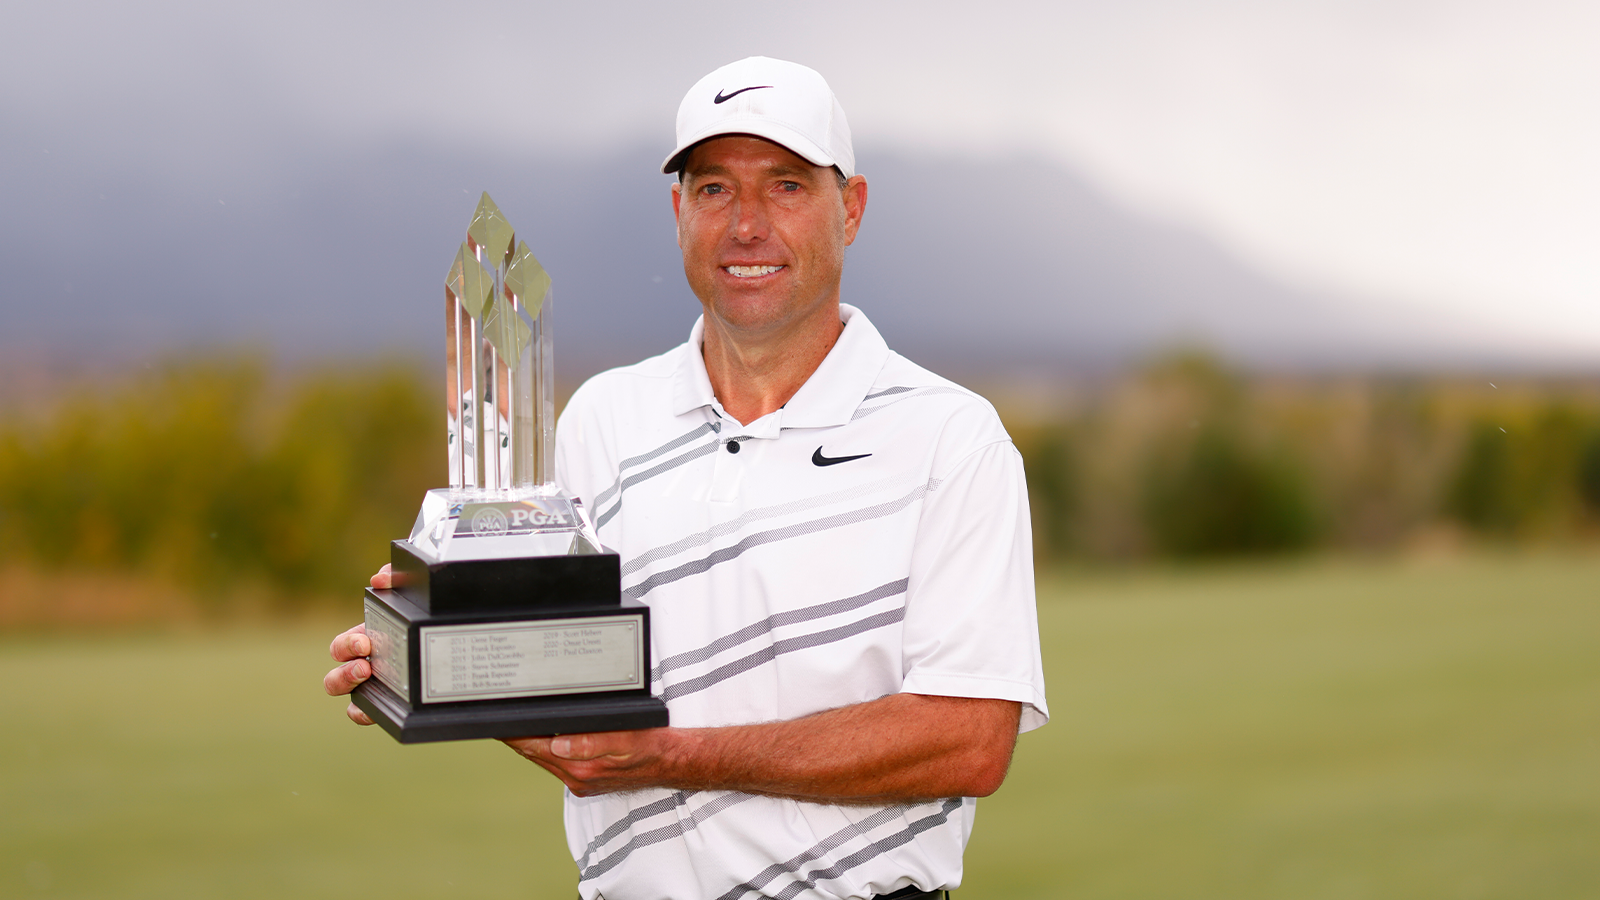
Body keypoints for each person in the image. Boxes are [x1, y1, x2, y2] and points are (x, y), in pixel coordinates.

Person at [324, 56, 1047, 900]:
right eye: (713, 189)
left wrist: (673, 757)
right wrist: (428, 655)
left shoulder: (951, 437)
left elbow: (969, 741)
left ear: (848, 208)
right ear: (678, 212)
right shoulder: (602, 419)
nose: (745, 225)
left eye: (784, 186)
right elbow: (563, 686)